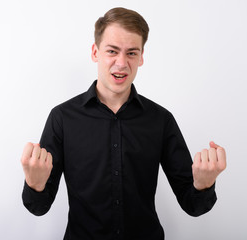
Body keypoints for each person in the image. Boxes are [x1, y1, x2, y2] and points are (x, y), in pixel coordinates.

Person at [20, 7, 226, 240]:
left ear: (141, 57)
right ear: (95, 52)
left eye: (131, 53)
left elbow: (193, 206)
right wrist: (34, 183)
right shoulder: (62, 118)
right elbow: (39, 207)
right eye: (112, 51)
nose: (121, 63)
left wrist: (203, 185)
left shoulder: (161, 120)